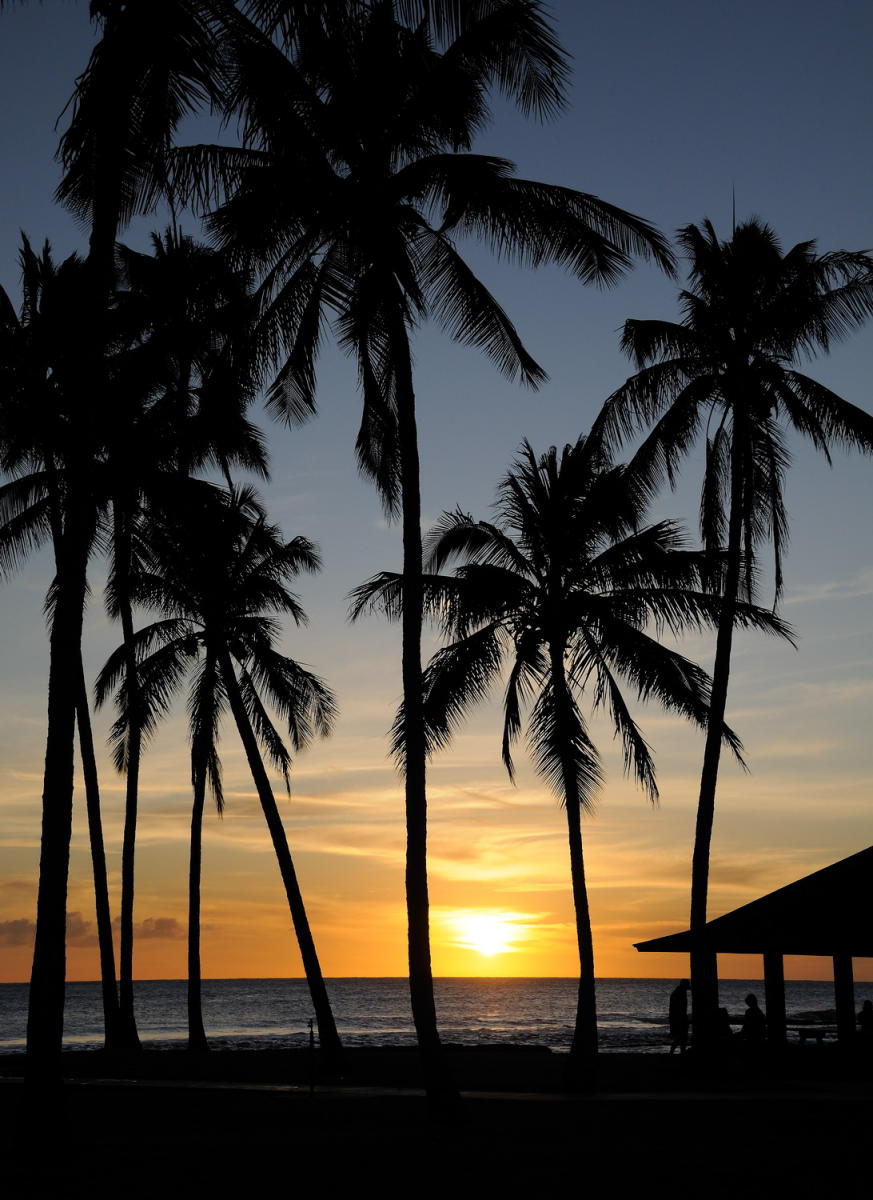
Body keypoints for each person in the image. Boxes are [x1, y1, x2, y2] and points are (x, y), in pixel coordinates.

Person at [669, 979, 691, 1054]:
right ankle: (673, 1051)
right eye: (687, 984)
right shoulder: (679, 993)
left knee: (682, 1036)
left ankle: (680, 1051)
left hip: (678, 1017)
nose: (688, 986)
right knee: (681, 1036)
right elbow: (677, 1008)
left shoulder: (680, 991)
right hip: (678, 1017)